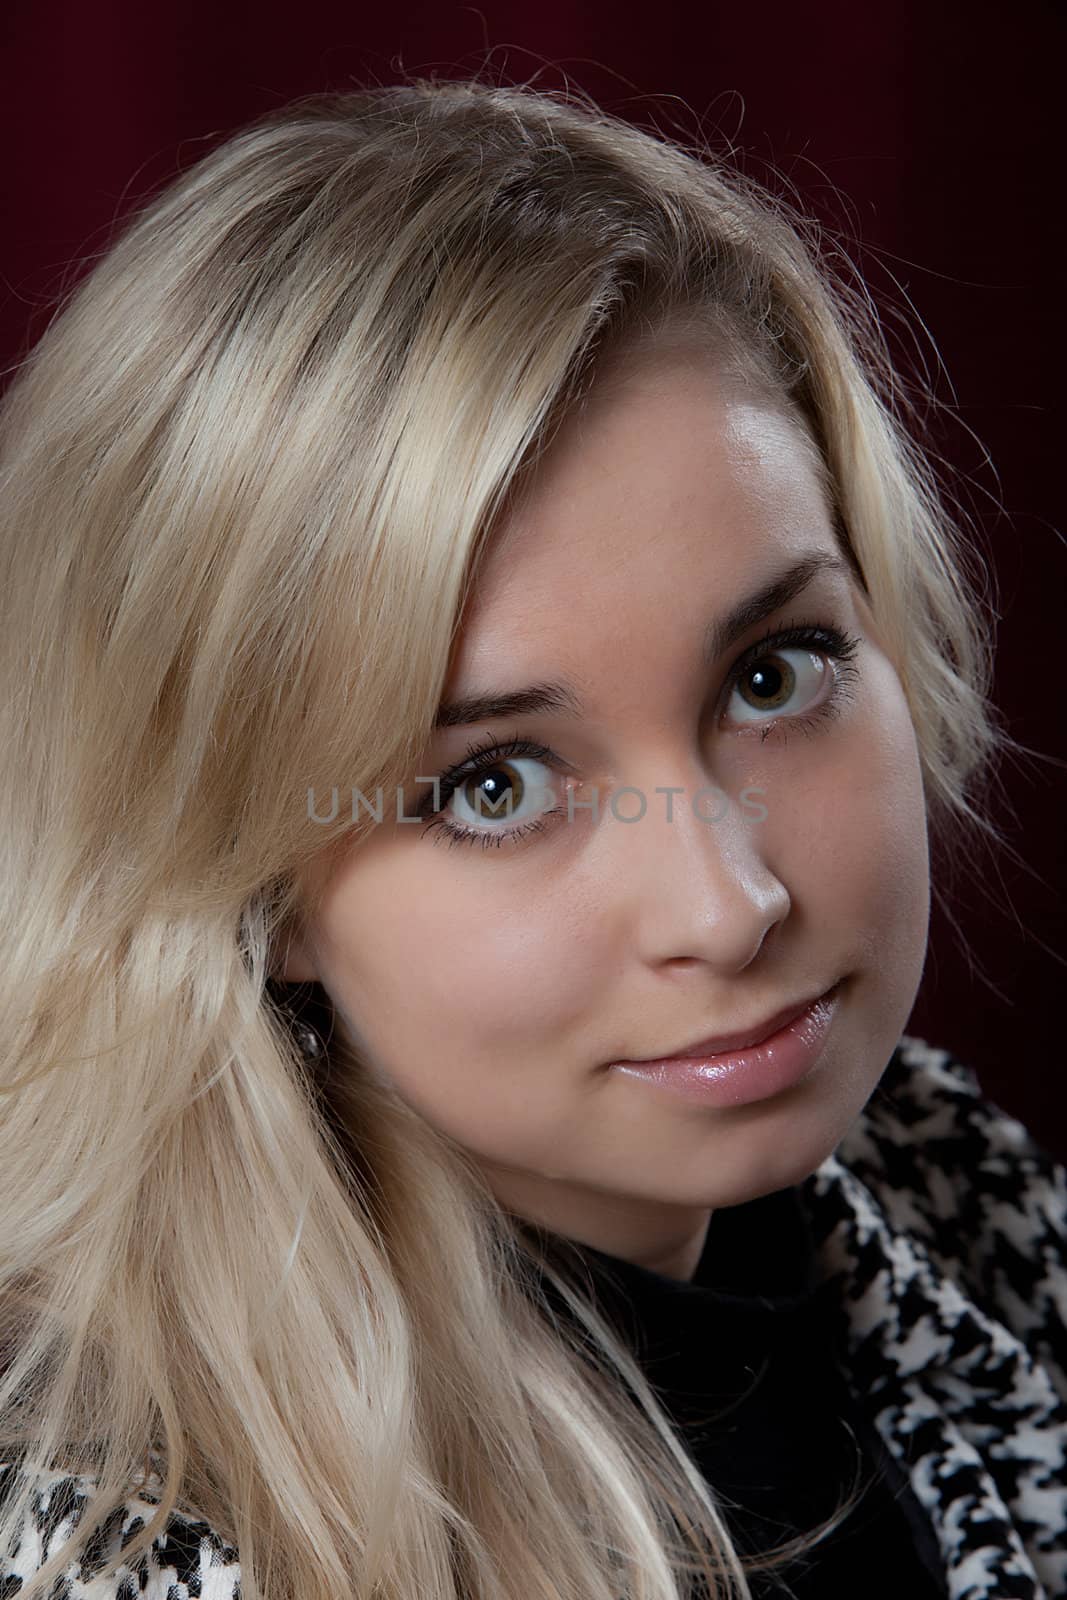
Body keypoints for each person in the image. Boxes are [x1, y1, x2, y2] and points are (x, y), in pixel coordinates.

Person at [0, 74, 1063, 1600]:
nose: (730, 903)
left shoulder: (944, 1183)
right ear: (248, 880)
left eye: (774, 674)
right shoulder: (132, 1542)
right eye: (493, 783)